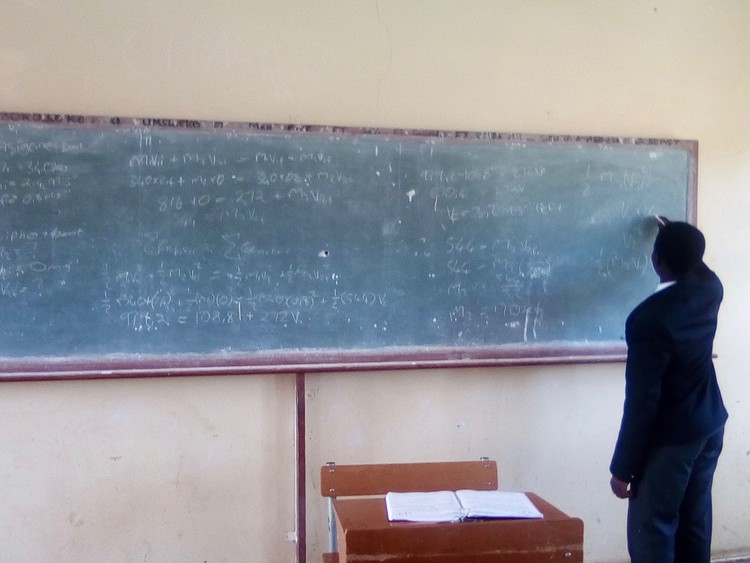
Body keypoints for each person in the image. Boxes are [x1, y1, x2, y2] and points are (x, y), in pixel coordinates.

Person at [609, 218, 728, 562]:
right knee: (695, 519)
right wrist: (674, 231)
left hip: (670, 440)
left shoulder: (648, 319)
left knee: (654, 529)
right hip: (709, 425)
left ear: (657, 260)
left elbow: (643, 402)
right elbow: (694, 260)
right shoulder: (710, 289)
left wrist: (623, 468)